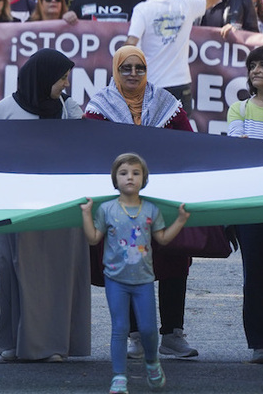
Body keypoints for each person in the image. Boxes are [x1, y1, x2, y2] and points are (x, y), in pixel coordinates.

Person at [83, 46, 198, 362]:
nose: (133, 74)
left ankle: (172, 334)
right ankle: (134, 335)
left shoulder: (168, 105)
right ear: (115, 71)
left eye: (139, 68)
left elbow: (189, 143)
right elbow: (88, 150)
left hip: (163, 198)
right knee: (127, 261)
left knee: (174, 258)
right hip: (120, 202)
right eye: (126, 68)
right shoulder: (99, 108)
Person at [0, 49, 90, 362]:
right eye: (60, 78)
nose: (64, 84)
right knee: (11, 272)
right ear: (41, 78)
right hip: (15, 208)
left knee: (56, 276)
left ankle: (51, 345)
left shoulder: (69, 108)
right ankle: (13, 342)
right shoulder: (4, 110)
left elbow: (82, 148)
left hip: (59, 208)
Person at [81, 153, 190, 394]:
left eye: (135, 173)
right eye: (123, 173)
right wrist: (87, 214)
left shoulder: (150, 209)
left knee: (149, 329)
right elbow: (92, 239)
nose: (129, 177)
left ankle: (152, 363)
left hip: (143, 281)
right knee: (120, 328)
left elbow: (161, 238)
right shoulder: (107, 209)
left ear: (144, 178)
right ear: (114, 179)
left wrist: (180, 221)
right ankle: (119, 376)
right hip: (115, 280)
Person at [226, 44, 263, 363]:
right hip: (252, 205)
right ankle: (261, 342)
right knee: (255, 272)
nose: (255, 70)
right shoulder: (239, 109)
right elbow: (235, 150)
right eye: (252, 65)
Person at [126, 0, 218, 113]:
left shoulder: (142, 9)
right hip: (180, 83)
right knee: (179, 134)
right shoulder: (185, 4)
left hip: (152, 84)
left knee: (151, 133)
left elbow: (131, 43)